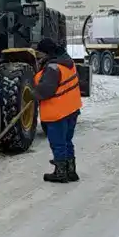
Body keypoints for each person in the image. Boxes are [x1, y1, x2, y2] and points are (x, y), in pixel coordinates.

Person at [33, 37, 82, 184]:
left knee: (58, 143)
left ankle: (60, 173)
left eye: (40, 54)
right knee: (67, 141)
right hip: (72, 109)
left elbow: (46, 90)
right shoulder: (67, 63)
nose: (38, 57)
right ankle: (71, 171)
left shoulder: (53, 68)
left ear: (47, 53)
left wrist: (32, 93)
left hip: (58, 112)